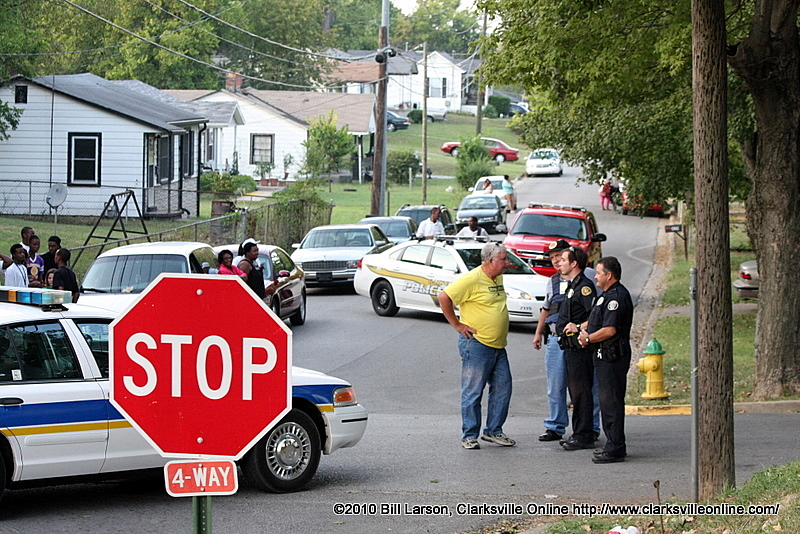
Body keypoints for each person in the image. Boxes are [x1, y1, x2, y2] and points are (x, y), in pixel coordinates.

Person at [437, 242, 515, 450]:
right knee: (473, 391)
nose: (507, 263)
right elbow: (444, 297)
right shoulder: (472, 279)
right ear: (490, 261)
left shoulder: (498, 277)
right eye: (503, 259)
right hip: (477, 344)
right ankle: (469, 435)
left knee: (503, 388)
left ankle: (494, 431)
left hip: (498, 345)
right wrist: (457, 325)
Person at [533, 241, 603, 442]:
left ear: (573, 261)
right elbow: (547, 308)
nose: (555, 261)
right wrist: (538, 333)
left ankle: (590, 427)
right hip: (557, 338)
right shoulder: (553, 281)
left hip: (580, 340)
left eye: (559, 257)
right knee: (556, 385)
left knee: (585, 385)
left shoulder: (587, 277)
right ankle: (555, 426)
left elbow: (597, 309)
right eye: (552, 257)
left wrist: (585, 331)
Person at [580, 257, 634, 463]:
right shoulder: (605, 295)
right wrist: (581, 328)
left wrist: (588, 339)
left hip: (613, 357)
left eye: (598, 273)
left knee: (611, 401)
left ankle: (615, 447)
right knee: (606, 401)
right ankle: (612, 443)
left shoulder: (617, 297)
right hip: (602, 356)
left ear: (609, 275)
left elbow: (610, 330)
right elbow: (597, 320)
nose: (595, 276)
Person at [556, 246, 597, 450]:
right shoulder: (573, 285)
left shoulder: (585, 287)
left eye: (563, 259)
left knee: (581, 392)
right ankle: (579, 432)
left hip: (580, 348)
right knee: (575, 392)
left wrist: (579, 327)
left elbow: (596, 316)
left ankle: (584, 435)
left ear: (574, 264)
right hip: (570, 347)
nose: (559, 263)